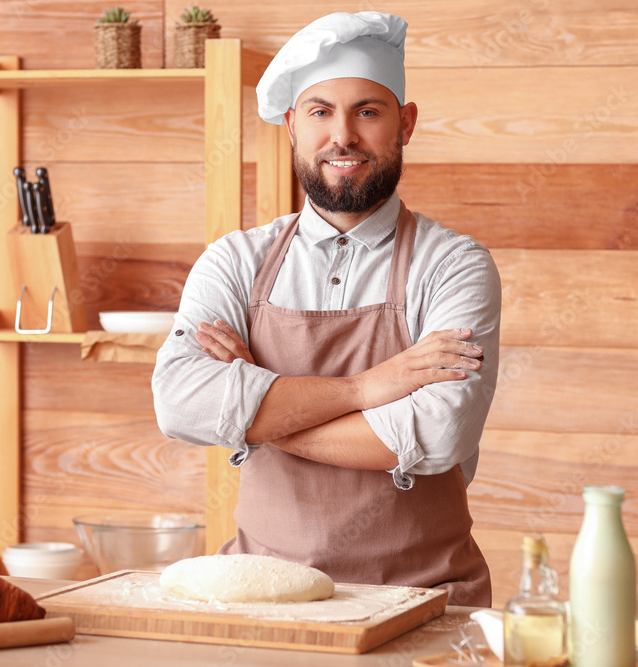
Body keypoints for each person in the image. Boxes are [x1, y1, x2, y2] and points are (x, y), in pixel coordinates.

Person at [152, 11, 500, 606]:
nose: (343, 136)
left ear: (405, 124)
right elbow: (180, 403)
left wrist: (256, 409)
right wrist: (368, 388)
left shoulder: (454, 265)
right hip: (262, 595)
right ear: (291, 125)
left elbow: (438, 433)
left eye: (368, 111)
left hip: (426, 601)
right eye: (320, 111)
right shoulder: (235, 260)